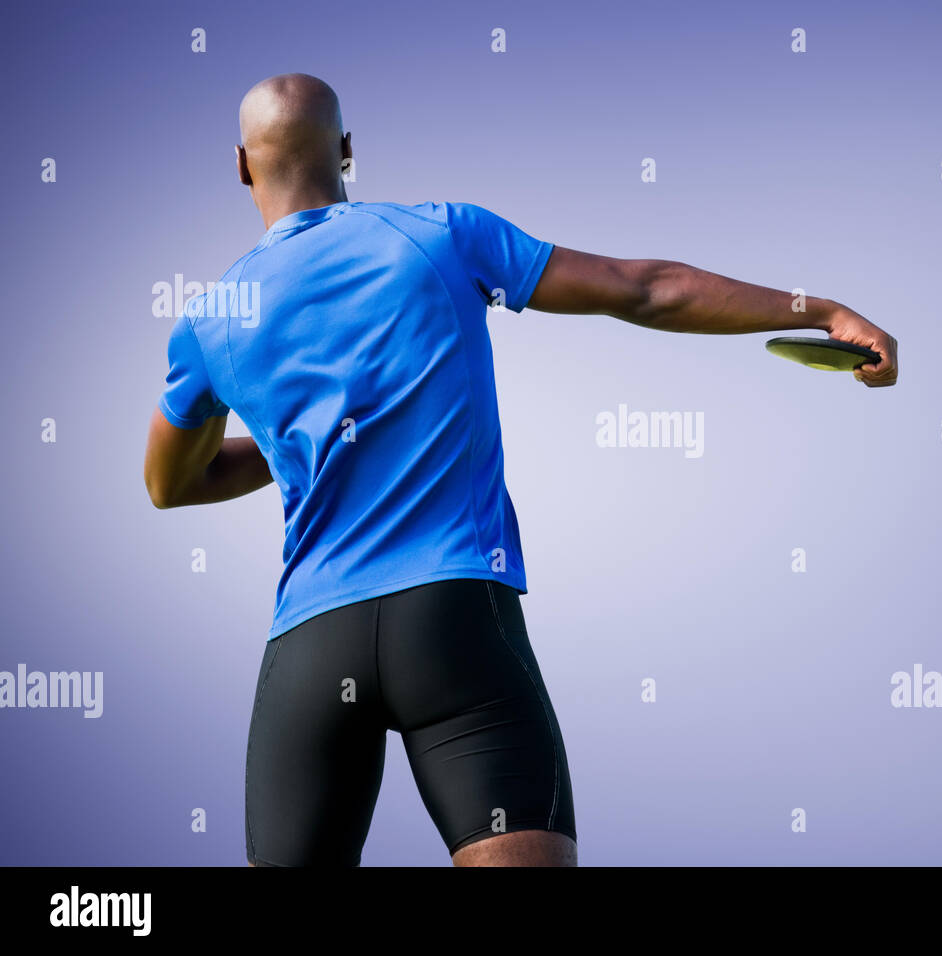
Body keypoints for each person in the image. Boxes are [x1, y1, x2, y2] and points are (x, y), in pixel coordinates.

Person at [142, 73, 898, 868]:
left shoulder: (209, 321)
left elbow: (171, 484)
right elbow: (645, 290)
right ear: (348, 151)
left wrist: (310, 440)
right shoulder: (438, 235)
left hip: (308, 648)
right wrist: (820, 310)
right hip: (453, 622)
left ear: (240, 166)